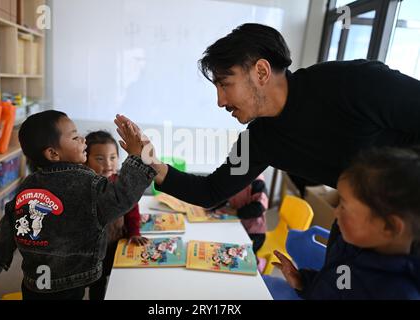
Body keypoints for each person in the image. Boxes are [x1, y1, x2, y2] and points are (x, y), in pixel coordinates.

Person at [114, 23, 420, 256]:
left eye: (225, 84)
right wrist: (148, 158)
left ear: (261, 72)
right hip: (360, 230)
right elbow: (211, 191)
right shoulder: (259, 141)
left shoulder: (351, 83)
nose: (220, 101)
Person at [0, 110, 156, 300]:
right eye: (75, 137)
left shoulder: (29, 184)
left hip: (34, 282)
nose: (83, 140)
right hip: (69, 282)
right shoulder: (88, 184)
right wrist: (137, 158)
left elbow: (9, 225)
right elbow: (121, 198)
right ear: (53, 153)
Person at [272, 147, 420, 300]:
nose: (336, 213)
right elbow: (338, 286)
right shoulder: (349, 244)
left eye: (344, 206)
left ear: (389, 226)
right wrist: (302, 282)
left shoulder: (398, 293)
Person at [84, 130, 148, 300]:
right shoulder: (83, 186)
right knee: (96, 282)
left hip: (116, 242)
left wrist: (134, 232)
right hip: (92, 250)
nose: (108, 164)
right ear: (85, 159)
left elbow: (132, 210)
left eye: (113, 157)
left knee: (118, 279)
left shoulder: (119, 184)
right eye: (99, 159)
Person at [215, 174, 268, 254]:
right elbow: (224, 196)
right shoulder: (232, 177)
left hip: (254, 232)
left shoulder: (257, 182)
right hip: (237, 224)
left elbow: (259, 208)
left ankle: (259, 262)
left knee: (240, 256)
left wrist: (234, 212)